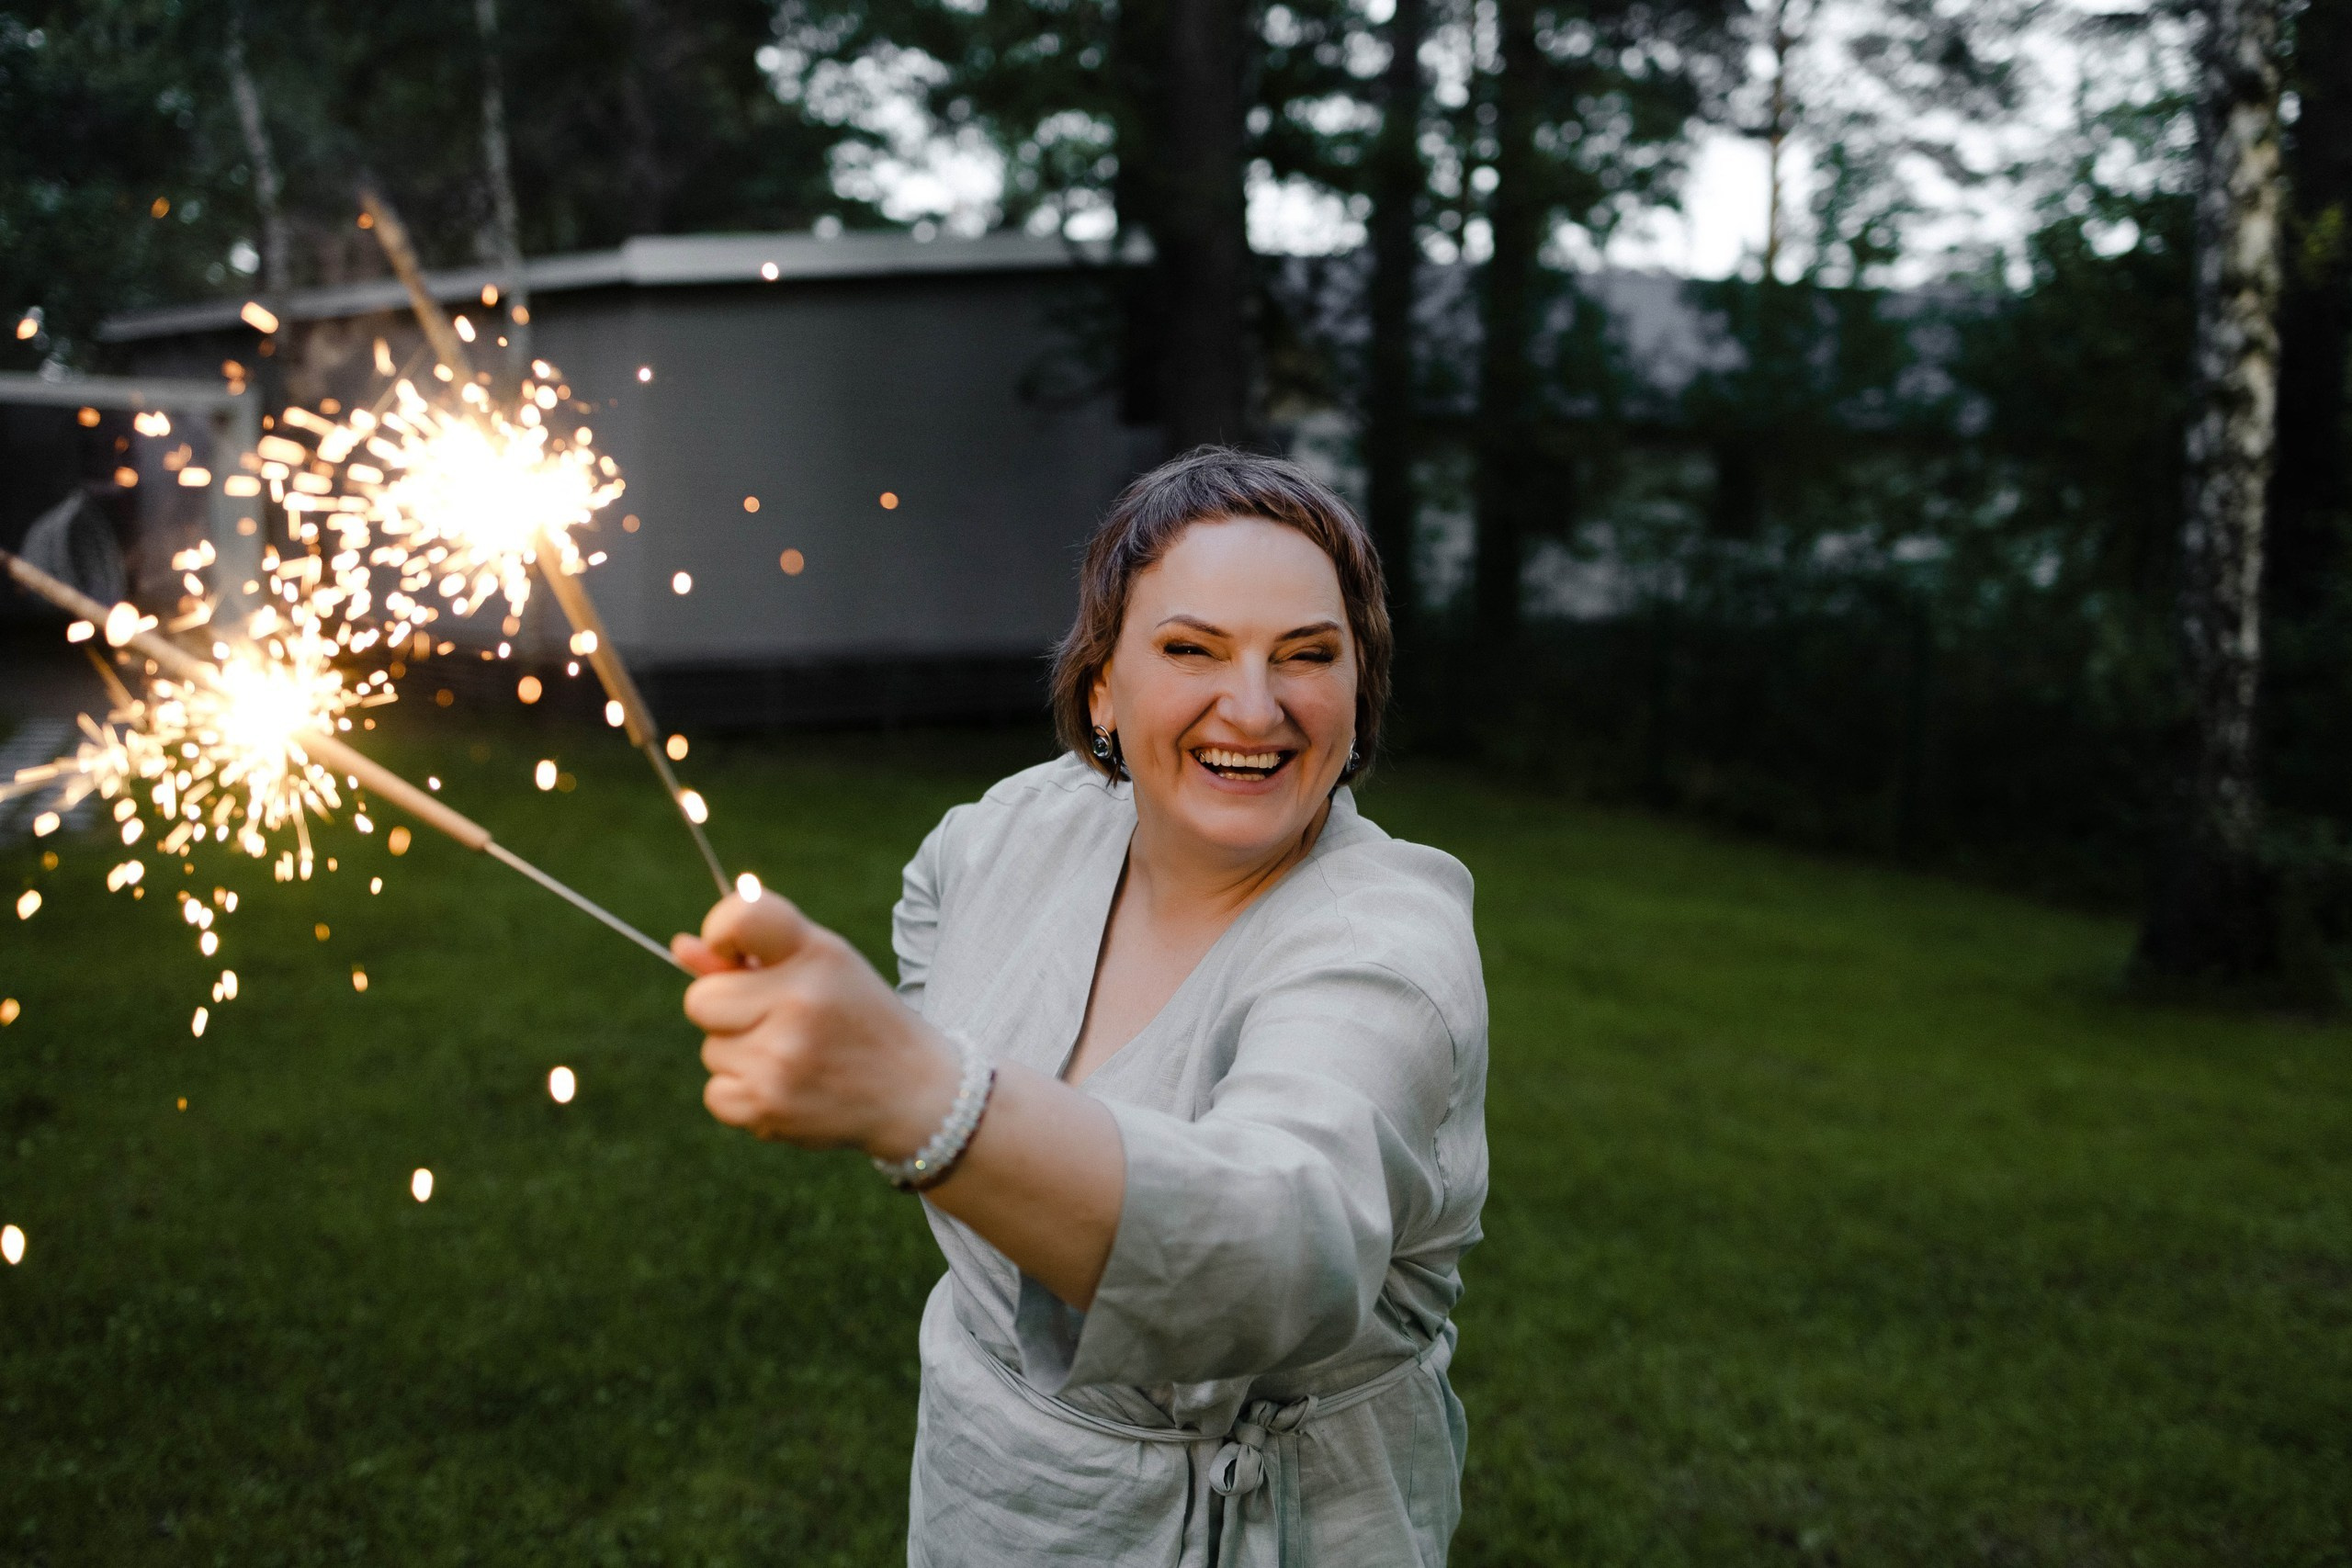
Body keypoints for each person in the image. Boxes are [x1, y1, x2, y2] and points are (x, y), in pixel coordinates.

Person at [676, 447, 1490, 1565]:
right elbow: (930, 920)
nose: (1253, 706)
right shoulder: (1011, 832)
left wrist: (920, 1096)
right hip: (986, 1488)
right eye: (1190, 649)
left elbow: (1275, 1253)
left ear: (1360, 687)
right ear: (1102, 683)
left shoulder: (1387, 942)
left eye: (1306, 656)